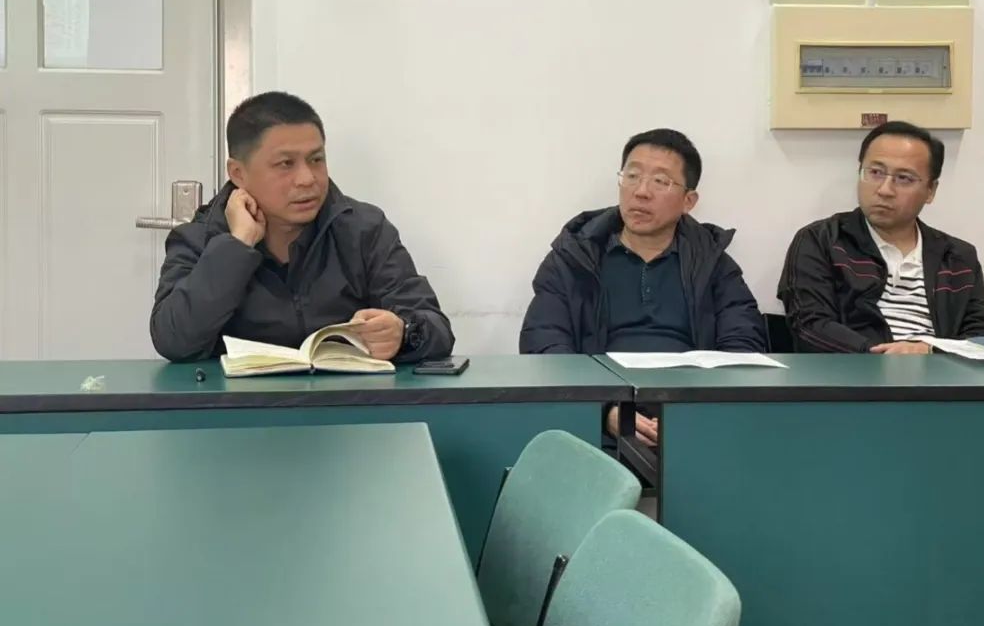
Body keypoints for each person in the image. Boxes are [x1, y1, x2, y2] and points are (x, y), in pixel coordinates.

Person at [150, 91, 453, 363]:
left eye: (316, 159)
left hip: (345, 404)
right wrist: (236, 246)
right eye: (286, 164)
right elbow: (173, 341)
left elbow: (437, 329)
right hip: (239, 405)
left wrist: (403, 333)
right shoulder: (199, 238)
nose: (308, 179)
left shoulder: (363, 230)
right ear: (238, 173)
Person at [520, 128, 766, 446]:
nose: (641, 192)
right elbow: (544, 345)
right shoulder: (573, 259)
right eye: (632, 176)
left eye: (660, 181)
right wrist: (603, 410)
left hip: (693, 422)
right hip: (596, 425)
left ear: (689, 201)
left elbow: (743, 347)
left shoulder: (714, 264)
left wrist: (694, 412)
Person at [777, 120, 984, 354]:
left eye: (904, 178)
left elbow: (983, 331)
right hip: (856, 371)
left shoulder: (957, 257)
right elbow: (810, 325)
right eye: (875, 173)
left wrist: (930, 351)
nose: (884, 190)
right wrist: (883, 357)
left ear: (931, 191)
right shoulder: (822, 241)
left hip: (939, 371)